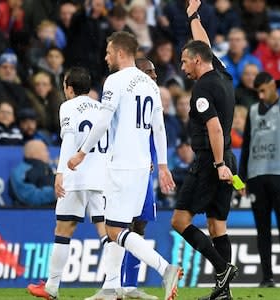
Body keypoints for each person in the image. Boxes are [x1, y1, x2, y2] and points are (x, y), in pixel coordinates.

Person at [68, 31, 181, 300]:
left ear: (120, 52)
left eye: (108, 51)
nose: (105, 56)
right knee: (120, 225)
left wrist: (82, 152)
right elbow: (160, 128)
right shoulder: (151, 85)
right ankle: (110, 287)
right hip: (143, 167)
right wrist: (162, 165)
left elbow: (104, 121)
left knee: (114, 230)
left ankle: (165, 268)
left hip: (120, 164)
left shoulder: (115, 81)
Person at [170, 1, 238, 300]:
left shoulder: (201, 90)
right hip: (227, 160)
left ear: (197, 61)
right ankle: (224, 292)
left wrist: (219, 163)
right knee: (216, 225)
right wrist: (193, 17)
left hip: (212, 161)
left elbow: (214, 127)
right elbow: (205, 45)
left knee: (179, 221)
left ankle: (222, 268)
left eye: (185, 62)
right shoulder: (222, 75)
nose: (183, 68)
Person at [27, 66, 113, 300]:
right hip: (102, 177)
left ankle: (52, 287)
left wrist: (60, 172)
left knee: (63, 231)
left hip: (76, 176)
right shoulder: (103, 108)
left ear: (69, 88)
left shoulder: (68, 106)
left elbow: (69, 140)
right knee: (106, 233)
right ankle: (113, 286)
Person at [238, 72, 280, 288]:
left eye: (264, 90)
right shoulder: (253, 111)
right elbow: (246, 146)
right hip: (256, 178)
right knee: (262, 231)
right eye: (258, 92)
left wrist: (276, 83)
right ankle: (267, 278)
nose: (261, 96)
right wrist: (240, 180)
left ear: (272, 87)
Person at [119, 57, 161, 300]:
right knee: (120, 226)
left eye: (154, 72)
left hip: (144, 170)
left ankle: (130, 286)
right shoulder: (124, 95)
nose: (154, 76)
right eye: (149, 71)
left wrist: (156, 159)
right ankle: (116, 283)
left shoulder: (153, 98)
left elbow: (156, 132)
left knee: (141, 224)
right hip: (125, 169)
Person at [9, 139, 56, 207]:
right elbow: (27, 196)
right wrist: (55, 194)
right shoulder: (20, 172)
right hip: (28, 215)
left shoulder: (48, 169)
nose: (48, 154)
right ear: (34, 152)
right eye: (45, 150)